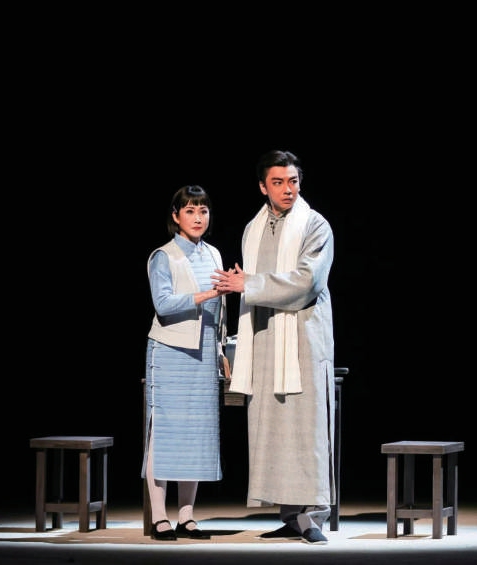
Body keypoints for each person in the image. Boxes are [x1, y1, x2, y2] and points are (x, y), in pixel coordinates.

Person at [212, 149, 336, 545]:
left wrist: (248, 283)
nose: (288, 189)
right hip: (265, 339)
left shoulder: (314, 225)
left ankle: (311, 517)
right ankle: (290, 515)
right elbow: (251, 278)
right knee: (274, 428)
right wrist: (241, 281)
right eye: (278, 182)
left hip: (301, 338)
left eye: (293, 181)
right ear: (263, 187)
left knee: (305, 428)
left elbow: (307, 282)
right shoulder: (253, 228)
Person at [142, 185, 230, 541]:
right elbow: (163, 304)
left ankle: (187, 516)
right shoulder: (164, 256)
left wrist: (221, 350)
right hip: (170, 350)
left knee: (195, 434)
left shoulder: (214, 254)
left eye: (203, 210)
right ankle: (159, 517)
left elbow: (220, 311)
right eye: (190, 211)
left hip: (204, 352)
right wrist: (207, 293)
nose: (198, 217)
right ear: (176, 216)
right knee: (163, 434)